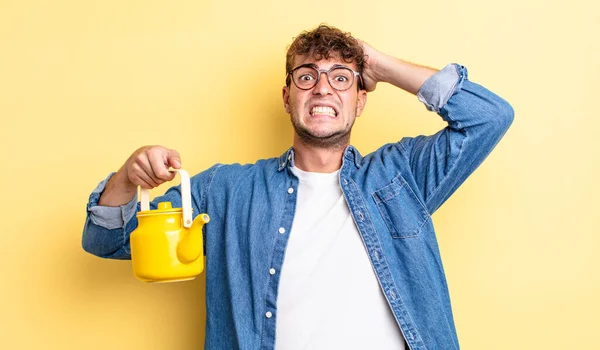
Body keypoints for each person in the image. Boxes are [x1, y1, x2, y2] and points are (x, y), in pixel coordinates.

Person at [82, 24, 514, 349]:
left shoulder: (401, 178)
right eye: (307, 76)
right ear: (287, 96)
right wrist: (127, 176)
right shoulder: (226, 190)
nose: (323, 87)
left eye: (341, 77)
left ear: (360, 100)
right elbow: (108, 239)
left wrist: (379, 65)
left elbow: (489, 117)